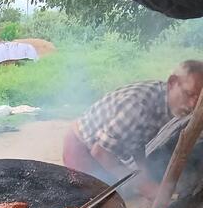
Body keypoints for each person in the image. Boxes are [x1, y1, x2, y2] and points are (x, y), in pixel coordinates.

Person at [63, 60, 203, 199]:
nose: (192, 105)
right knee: (97, 202)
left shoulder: (165, 103)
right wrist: (146, 187)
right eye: (188, 94)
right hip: (82, 149)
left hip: (104, 151)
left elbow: (138, 140)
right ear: (172, 82)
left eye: (198, 99)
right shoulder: (138, 106)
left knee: (120, 194)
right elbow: (100, 152)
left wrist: (144, 174)